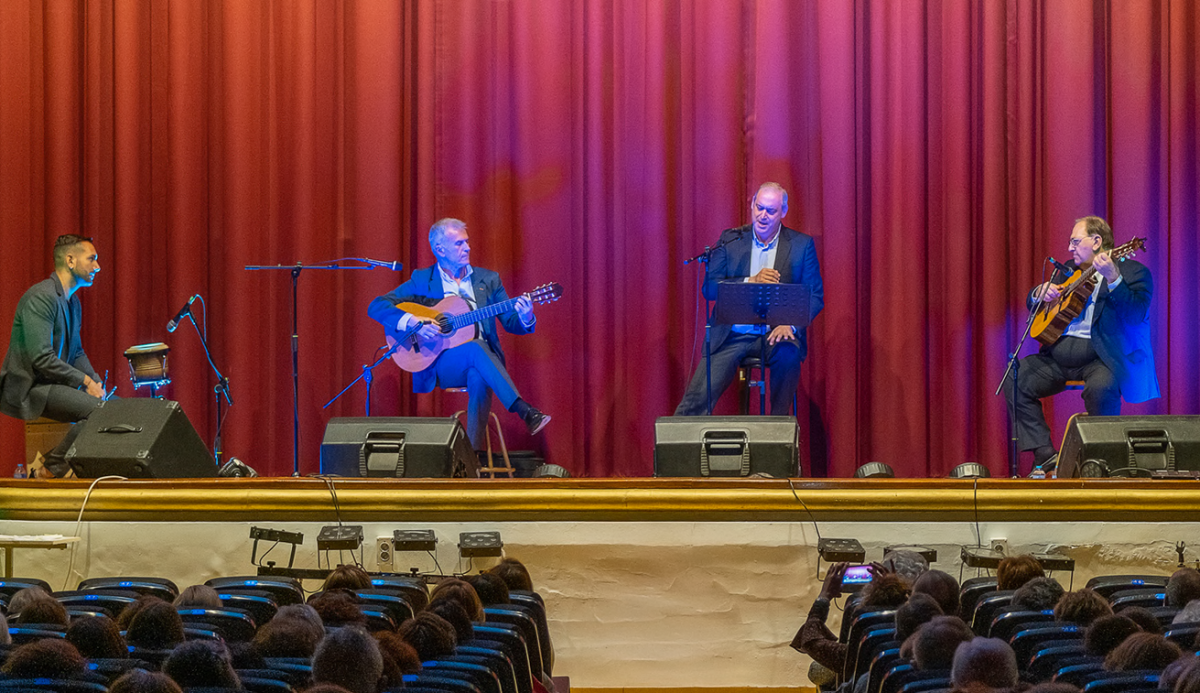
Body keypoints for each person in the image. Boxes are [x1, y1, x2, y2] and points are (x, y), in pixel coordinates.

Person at [369, 218, 549, 450]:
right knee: (475, 348)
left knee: (478, 374)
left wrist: (526, 317)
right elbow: (376, 306)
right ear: (439, 249)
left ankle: (470, 459)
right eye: (459, 244)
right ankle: (525, 411)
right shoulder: (423, 280)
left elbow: (510, 322)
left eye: (467, 242)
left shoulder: (489, 279)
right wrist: (415, 322)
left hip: (484, 363)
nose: (467, 248)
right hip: (438, 363)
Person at [1006, 216, 1158, 470]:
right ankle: (1045, 455)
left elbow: (1136, 314)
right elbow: (1036, 306)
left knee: (1102, 387)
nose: (1069, 248)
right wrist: (1038, 293)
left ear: (1097, 241)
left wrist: (1114, 279)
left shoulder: (1134, 273)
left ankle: (1099, 460)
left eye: (1075, 241)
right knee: (1015, 377)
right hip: (1056, 358)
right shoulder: (1069, 269)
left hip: (1101, 359)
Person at [675, 182, 824, 416]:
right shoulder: (731, 240)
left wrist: (791, 324)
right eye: (759, 207)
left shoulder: (800, 245)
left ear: (783, 212)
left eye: (771, 211)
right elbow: (710, 289)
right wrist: (749, 281)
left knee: (788, 353)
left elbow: (815, 296)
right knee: (695, 400)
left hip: (776, 333)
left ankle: (778, 429)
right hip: (732, 334)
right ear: (752, 205)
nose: (762, 216)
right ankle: (685, 444)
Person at [0, 234, 105, 477]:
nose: (97, 267)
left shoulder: (72, 302)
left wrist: (95, 379)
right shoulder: (41, 297)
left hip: (51, 384)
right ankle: (49, 469)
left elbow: (76, 351)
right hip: (31, 386)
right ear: (70, 260)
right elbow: (41, 358)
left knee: (114, 410)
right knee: (99, 412)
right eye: (92, 259)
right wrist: (84, 382)